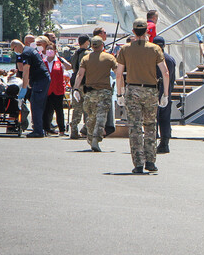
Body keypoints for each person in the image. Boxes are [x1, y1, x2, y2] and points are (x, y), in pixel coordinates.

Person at [116, 18, 169, 173]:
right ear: (147, 31)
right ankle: (151, 162)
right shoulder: (155, 49)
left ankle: (138, 163)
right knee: (150, 126)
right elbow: (165, 73)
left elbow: (119, 75)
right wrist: (165, 94)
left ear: (133, 31)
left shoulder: (125, 49)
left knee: (135, 127)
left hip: (132, 91)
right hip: (151, 90)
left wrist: (120, 94)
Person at [73, 36, 117, 152]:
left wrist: (76, 89)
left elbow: (80, 75)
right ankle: (96, 139)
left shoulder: (86, 58)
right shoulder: (109, 58)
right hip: (104, 92)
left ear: (91, 46)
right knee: (101, 117)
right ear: (102, 45)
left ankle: (90, 136)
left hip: (90, 92)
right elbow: (118, 73)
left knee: (91, 117)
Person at [11, 38, 51, 138]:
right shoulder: (29, 50)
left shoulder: (26, 53)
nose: (14, 52)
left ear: (16, 47)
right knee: (38, 104)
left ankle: (38, 131)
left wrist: (24, 87)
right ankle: (41, 128)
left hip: (40, 80)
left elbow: (25, 71)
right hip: (41, 79)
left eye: (13, 49)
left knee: (35, 104)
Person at [152, 35, 176, 154]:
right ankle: (164, 143)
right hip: (166, 91)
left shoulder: (151, 59)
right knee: (165, 119)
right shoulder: (170, 59)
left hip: (153, 91)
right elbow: (172, 79)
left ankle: (151, 142)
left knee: (152, 118)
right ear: (164, 46)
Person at [43, 43, 72, 136]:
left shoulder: (59, 62)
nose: (49, 51)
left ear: (55, 51)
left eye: (51, 49)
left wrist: (61, 59)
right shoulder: (43, 61)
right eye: (48, 49)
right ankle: (46, 129)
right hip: (47, 90)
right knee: (47, 110)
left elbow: (69, 67)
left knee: (59, 111)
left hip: (58, 90)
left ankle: (62, 130)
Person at [69, 35, 91, 139]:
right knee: (88, 108)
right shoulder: (88, 54)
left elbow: (72, 66)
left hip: (75, 84)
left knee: (76, 108)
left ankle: (73, 129)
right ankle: (86, 129)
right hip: (85, 83)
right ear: (87, 42)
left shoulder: (75, 54)